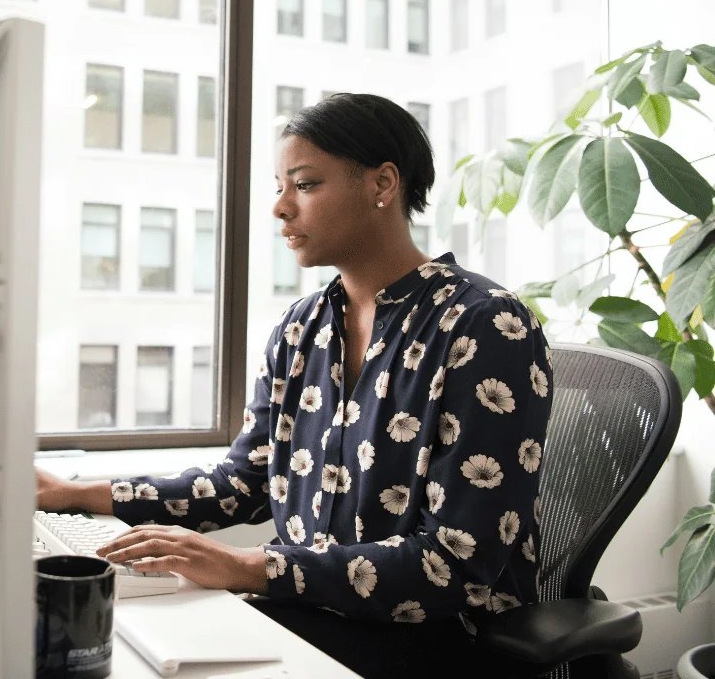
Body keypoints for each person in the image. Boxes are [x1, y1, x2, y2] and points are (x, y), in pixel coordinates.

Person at [36, 93, 552, 678]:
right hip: (310, 611)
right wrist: (74, 494)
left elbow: (455, 562)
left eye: (304, 185)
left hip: (441, 640)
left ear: (382, 184)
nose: (280, 208)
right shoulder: (303, 327)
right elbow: (242, 482)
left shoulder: (487, 324)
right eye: (279, 186)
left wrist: (252, 567)